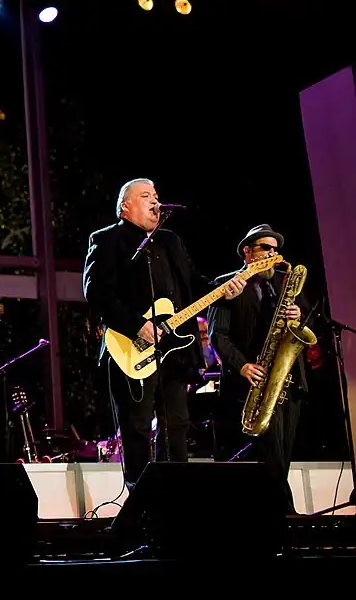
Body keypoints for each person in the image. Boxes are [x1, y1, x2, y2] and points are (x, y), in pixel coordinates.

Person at [82, 178, 246, 490]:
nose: (155, 202)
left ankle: (175, 499)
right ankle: (142, 505)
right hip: (131, 349)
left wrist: (223, 290)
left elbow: (194, 284)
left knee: (177, 425)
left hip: (175, 349)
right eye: (146, 196)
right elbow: (96, 292)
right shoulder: (107, 239)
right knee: (137, 427)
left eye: (157, 196)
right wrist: (135, 325)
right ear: (125, 207)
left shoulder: (170, 241)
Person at [207, 224, 309, 513]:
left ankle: (275, 515)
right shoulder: (227, 283)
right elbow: (217, 335)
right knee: (271, 454)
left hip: (290, 379)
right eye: (266, 248)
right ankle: (286, 516)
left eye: (275, 249)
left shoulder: (286, 281)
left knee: (283, 454)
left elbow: (309, 327)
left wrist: (299, 316)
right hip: (255, 379)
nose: (273, 254)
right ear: (247, 252)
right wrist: (243, 366)